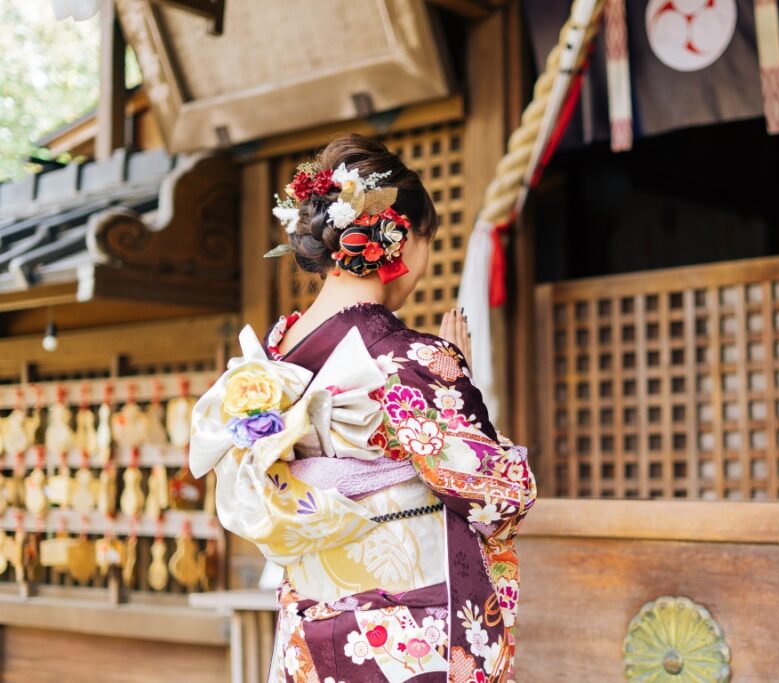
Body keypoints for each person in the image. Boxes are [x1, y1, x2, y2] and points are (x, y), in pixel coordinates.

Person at [189, 135, 535, 683]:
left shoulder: (272, 361)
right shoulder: (411, 358)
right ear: (400, 240)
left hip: (310, 627)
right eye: (427, 241)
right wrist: (451, 381)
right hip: (404, 634)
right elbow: (496, 497)